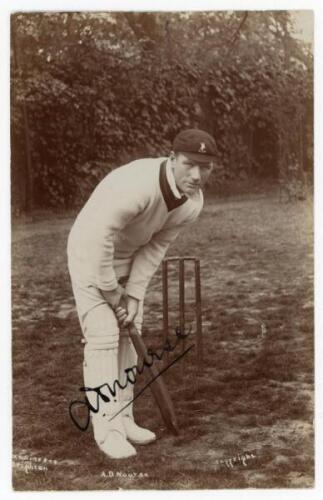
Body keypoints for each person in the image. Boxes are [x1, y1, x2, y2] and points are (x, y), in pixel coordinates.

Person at [67, 128, 216, 459]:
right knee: (105, 337)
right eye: (190, 164)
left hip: (128, 258)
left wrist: (133, 294)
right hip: (89, 251)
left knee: (129, 339)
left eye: (205, 167)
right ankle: (106, 429)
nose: (197, 175)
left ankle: (124, 418)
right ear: (172, 158)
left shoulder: (192, 203)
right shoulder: (137, 185)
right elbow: (99, 236)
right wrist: (110, 290)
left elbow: (156, 245)